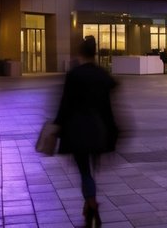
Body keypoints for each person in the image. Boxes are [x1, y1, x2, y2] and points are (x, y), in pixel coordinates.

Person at [56, 36, 119, 228]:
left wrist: (58, 126)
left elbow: (65, 105)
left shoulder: (74, 75)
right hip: (99, 129)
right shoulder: (103, 76)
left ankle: (92, 205)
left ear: (81, 53)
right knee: (90, 171)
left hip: (77, 129)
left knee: (85, 172)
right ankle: (88, 205)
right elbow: (108, 109)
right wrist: (113, 134)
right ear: (95, 53)